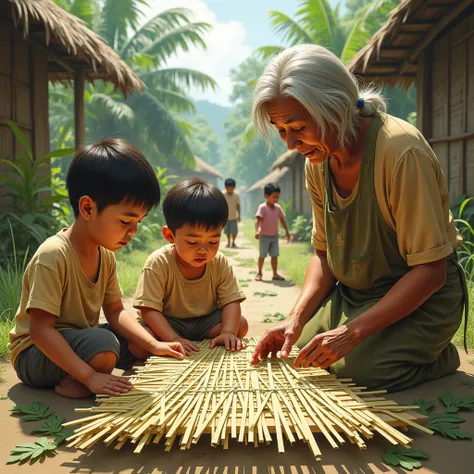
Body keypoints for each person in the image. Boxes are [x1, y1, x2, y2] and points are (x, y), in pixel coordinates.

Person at [249, 44, 467, 392]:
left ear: (333, 109)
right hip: (355, 296)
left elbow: (431, 272)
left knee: (360, 373)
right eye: (280, 129)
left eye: (298, 127)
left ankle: (438, 356)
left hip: (422, 300)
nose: (290, 143)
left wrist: (351, 333)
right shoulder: (316, 163)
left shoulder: (400, 151)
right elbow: (323, 255)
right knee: (297, 353)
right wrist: (294, 319)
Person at [8, 139, 185, 399]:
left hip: (80, 340)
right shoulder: (53, 255)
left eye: (139, 221)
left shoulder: (105, 256)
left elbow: (115, 311)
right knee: (103, 347)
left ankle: (88, 370)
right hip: (35, 354)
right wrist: (90, 376)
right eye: (126, 220)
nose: (133, 231)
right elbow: (40, 330)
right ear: (88, 208)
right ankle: (82, 377)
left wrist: (153, 344)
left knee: (142, 335)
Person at [133, 178, 248, 355]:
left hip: (205, 322)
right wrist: (173, 339)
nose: (203, 250)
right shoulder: (158, 262)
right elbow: (148, 309)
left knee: (240, 325)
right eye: (193, 242)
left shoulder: (219, 262)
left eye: (213, 241)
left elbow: (231, 301)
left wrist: (227, 333)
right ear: (170, 235)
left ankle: (207, 337)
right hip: (168, 322)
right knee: (138, 343)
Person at [254, 183, 291, 282]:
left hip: (274, 236)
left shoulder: (278, 208)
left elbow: (282, 220)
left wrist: (287, 231)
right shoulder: (262, 207)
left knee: (274, 256)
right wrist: (257, 231)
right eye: (274, 197)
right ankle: (259, 272)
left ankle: (275, 274)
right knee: (262, 255)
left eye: (277, 197)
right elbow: (257, 220)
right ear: (266, 196)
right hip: (264, 236)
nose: (276, 199)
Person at [223, 178, 241, 248]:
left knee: (234, 231)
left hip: (234, 216)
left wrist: (239, 215)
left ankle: (233, 242)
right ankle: (228, 242)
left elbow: (238, 205)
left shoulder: (236, 196)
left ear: (234, 188)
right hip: (225, 217)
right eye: (228, 188)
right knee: (227, 231)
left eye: (231, 188)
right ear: (225, 187)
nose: (230, 189)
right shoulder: (223, 195)